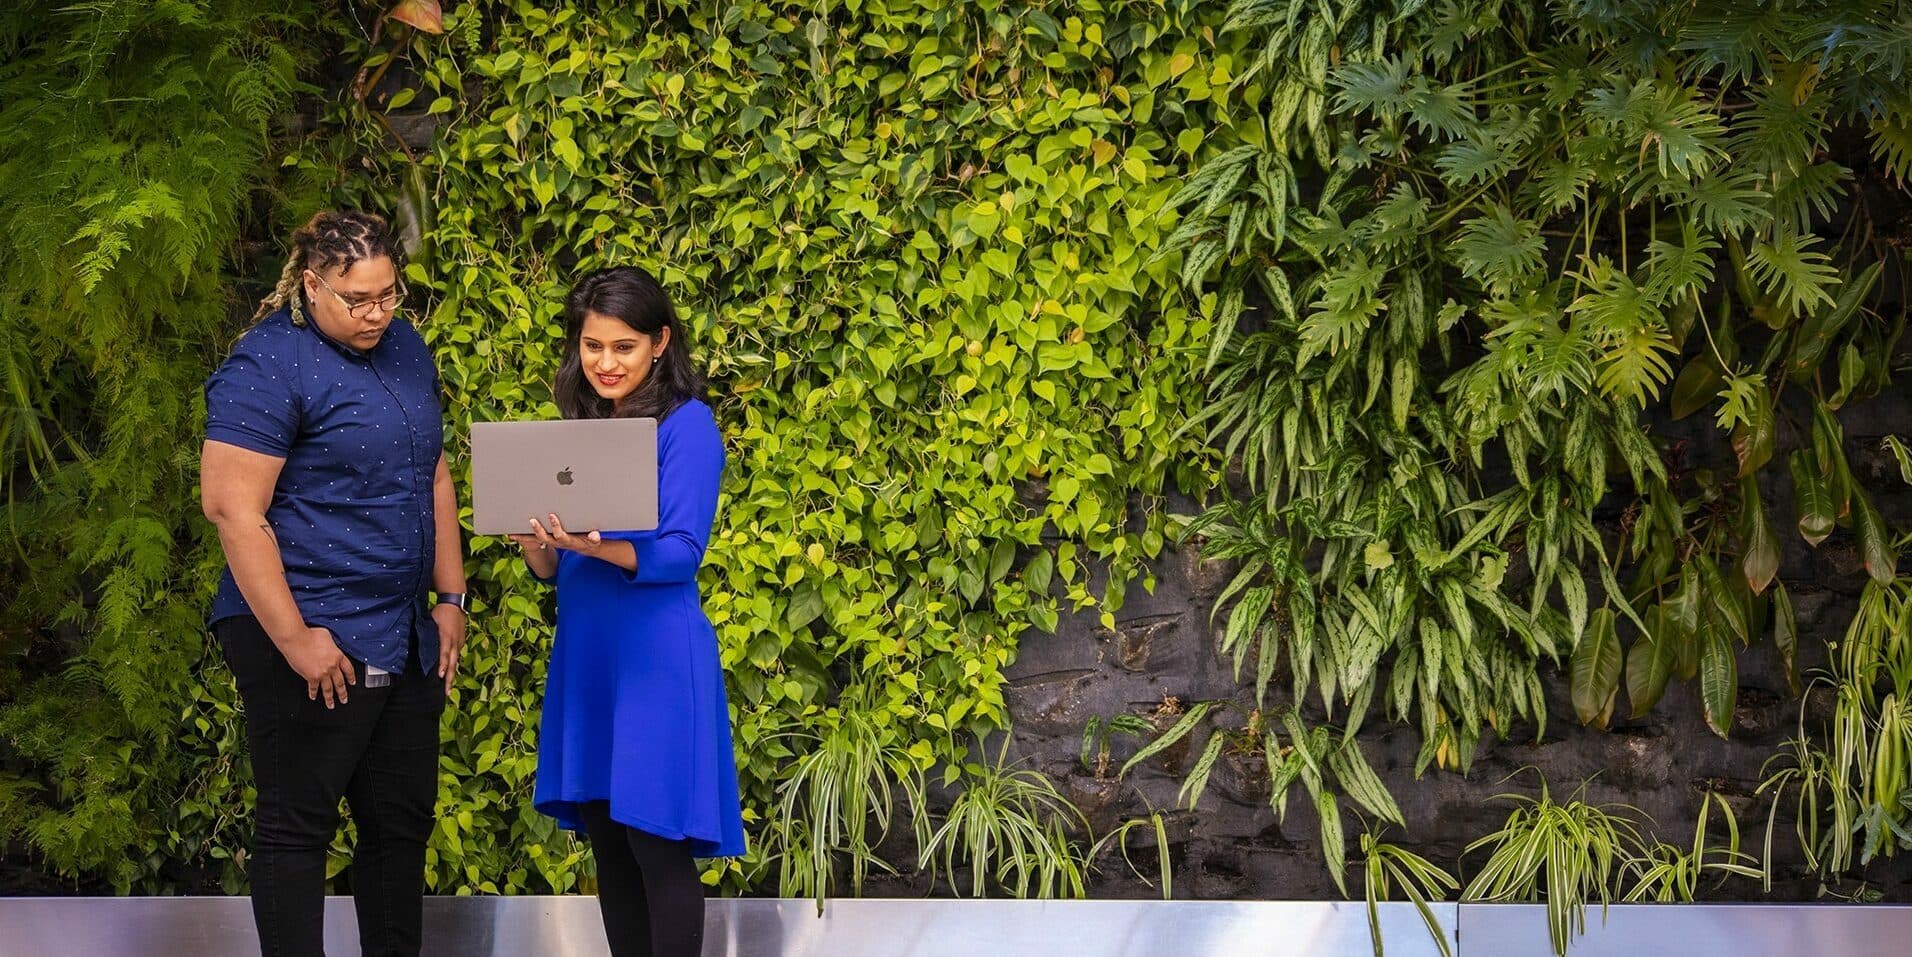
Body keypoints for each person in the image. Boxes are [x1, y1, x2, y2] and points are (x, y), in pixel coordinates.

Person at [200, 209, 467, 957]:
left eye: (389, 295)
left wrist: (450, 598)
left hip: (402, 629)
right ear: (312, 285)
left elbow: (434, 472)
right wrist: (296, 640)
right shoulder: (267, 363)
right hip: (307, 627)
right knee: (298, 827)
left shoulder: (404, 346)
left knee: (400, 823)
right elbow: (232, 509)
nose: (377, 313)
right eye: (358, 300)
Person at [510, 265, 745, 957]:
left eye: (623, 346)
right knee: (608, 840)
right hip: (588, 655)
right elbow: (556, 570)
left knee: (655, 839)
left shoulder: (688, 426)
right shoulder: (583, 427)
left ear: (660, 342)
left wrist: (595, 543)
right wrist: (538, 543)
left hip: (655, 656)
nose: (605, 362)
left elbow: (679, 554)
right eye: (592, 346)